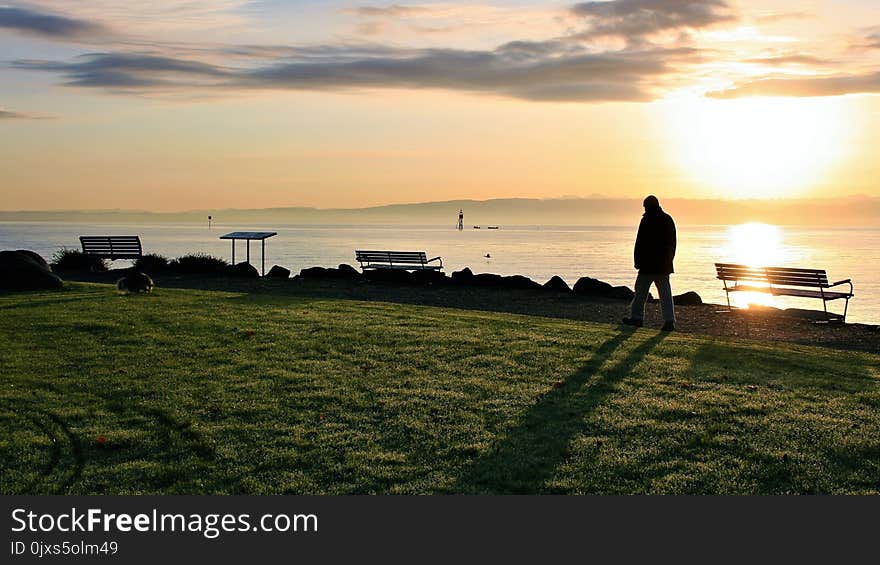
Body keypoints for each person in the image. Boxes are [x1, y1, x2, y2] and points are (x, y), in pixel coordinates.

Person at [623, 195, 677, 331]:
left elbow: (640, 242)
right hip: (663, 265)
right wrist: (670, 260)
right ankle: (669, 321)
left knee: (640, 292)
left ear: (647, 206)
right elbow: (672, 243)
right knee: (665, 293)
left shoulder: (647, 219)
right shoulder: (667, 219)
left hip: (647, 265)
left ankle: (637, 318)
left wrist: (637, 261)